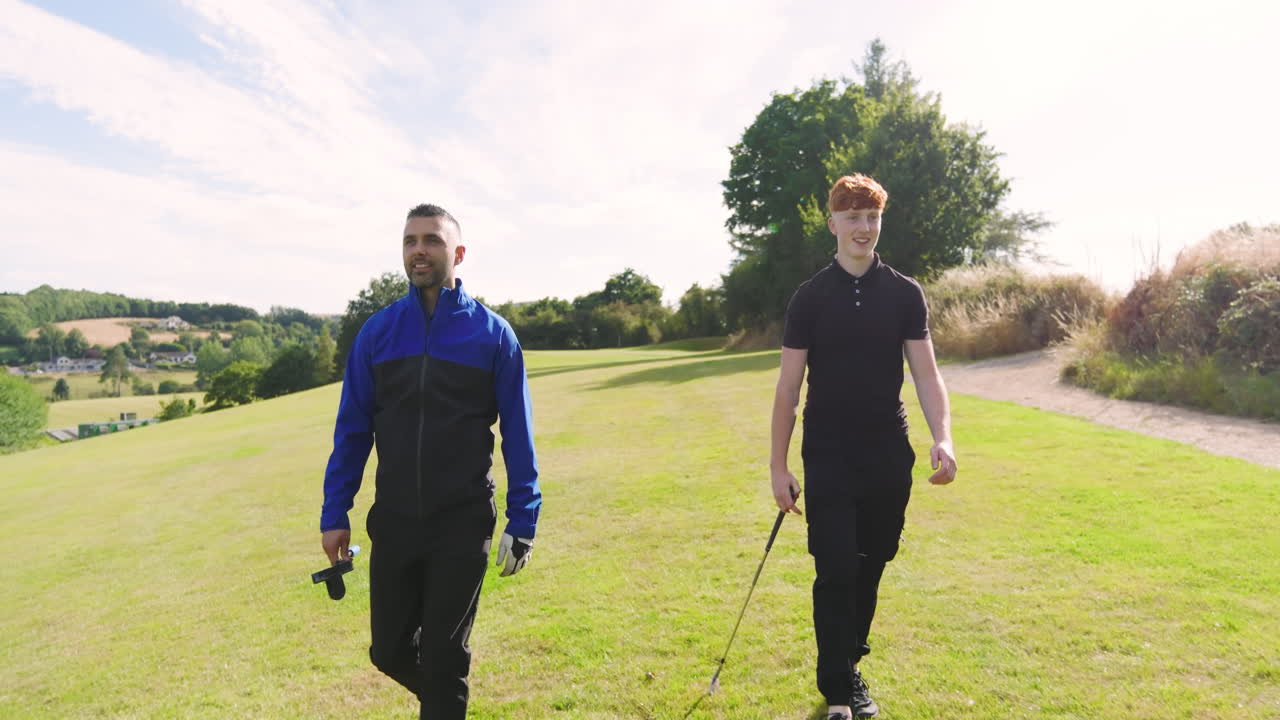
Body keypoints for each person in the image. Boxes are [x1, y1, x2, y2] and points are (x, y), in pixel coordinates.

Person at [320, 203, 542, 719]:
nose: (419, 250)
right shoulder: (377, 334)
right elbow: (352, 430)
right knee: (389, 652)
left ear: (457, 253)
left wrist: (523, 518)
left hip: (461, 522)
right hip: (394, 521)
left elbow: (519, 434)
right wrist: (335, 513)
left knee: (445, 661)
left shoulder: (493, 335)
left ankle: (445, 698)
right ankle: (445, 702)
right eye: (410, 241)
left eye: (431, 240)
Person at [769, 174, 957, 719]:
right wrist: (778, 466)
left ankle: (848, 663)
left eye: (872, 217)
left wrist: (942, 435)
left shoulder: (904, 293)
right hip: (827, 452)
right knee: (835, 568)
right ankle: (837, 693)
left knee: (872, 562)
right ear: (832, 224)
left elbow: (926, 374)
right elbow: (788, 388)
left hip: (886, 452)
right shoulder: (809, 298)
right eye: (852, 217)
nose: (863, 227)